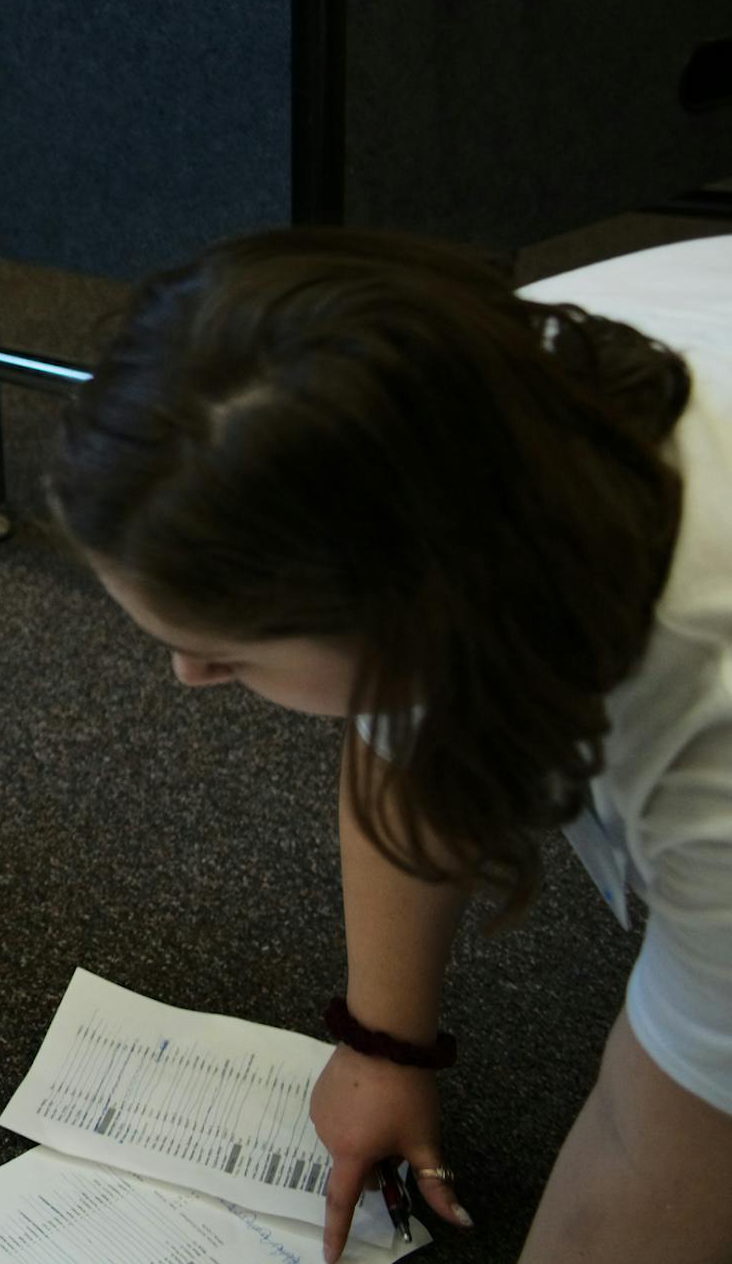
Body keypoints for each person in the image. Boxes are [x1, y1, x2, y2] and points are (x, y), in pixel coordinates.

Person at [44, 229, 732, 1264]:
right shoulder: (439, 402)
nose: (185, 679)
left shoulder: (715, 741)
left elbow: (656, 1150)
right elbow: (402, 724)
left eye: (224, 655)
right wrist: (383, 1040)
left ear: (425, 616)